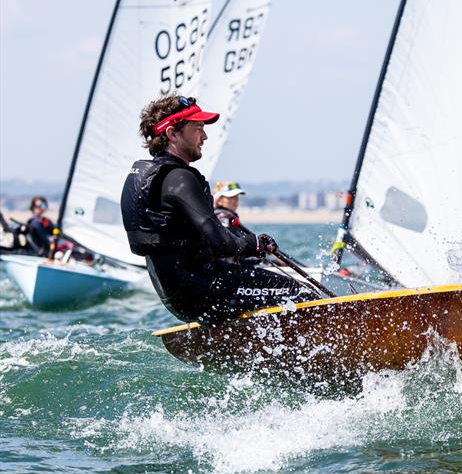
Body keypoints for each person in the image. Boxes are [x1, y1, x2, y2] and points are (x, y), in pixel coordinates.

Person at [120, 94, 316, 325]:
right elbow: (221, 242)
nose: (204, 136)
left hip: (176, 298)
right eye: (198, 128)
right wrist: (255, 244)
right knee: (301, 295)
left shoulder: (144, 179)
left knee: (262, 290)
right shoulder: (179, 178)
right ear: (172, 134)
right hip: (207, 290)